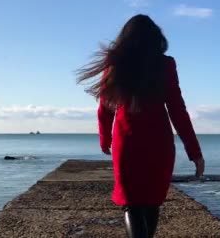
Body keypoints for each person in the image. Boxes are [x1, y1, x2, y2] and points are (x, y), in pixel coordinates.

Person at [77, 14, 205, 238]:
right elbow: (178, 110)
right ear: (156, 39)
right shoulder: (165, 64)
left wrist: (104, 138)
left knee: (132, 205)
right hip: (160, 144)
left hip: (127, 144)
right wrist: (194, 152)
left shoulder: (116, 64)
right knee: (151, 203)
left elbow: (105, 107)